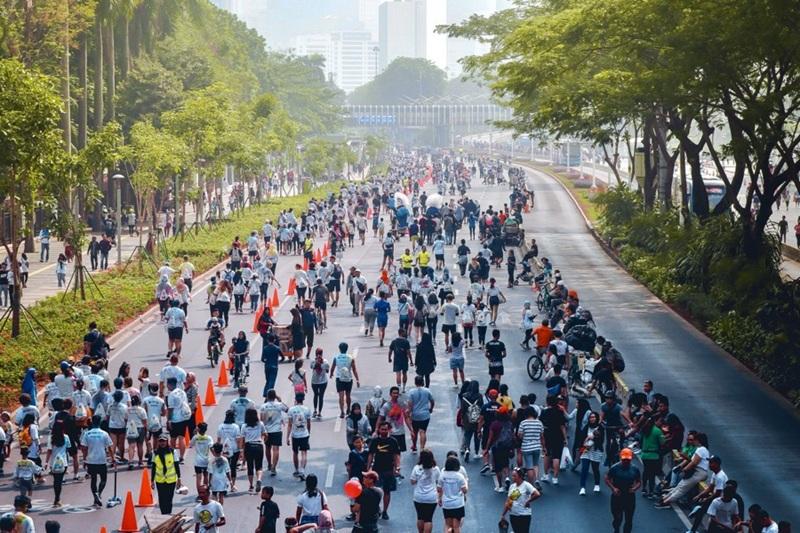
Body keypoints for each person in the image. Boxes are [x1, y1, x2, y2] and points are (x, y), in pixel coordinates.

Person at [368, 422, 401, 520]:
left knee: (387, 491)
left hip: (388, 470)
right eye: (382, 429)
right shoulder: (375, 441)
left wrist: (397, 467)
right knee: (374, 491)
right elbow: (371, 454)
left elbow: (396, 455)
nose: (384, 431)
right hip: (376, 470)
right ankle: (376, 508)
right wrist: (368, 467)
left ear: (389, 430)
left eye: (385, 429)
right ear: (379, 430)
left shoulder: (393, 441)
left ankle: (385, 511)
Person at [80, 414, 114, 507]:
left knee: (93, 479)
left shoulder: (87, 433)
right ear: (100, 423)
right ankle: (99, 494)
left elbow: (84, 448)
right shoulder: (104, 433)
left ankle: (95, 497)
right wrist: (113, 459)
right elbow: (110, 448)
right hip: (101, 460)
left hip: (91, 460)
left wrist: (84, 460)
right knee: (103, 479)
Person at [605, 448, 641, 533]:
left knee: (629, 520)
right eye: (624, 459)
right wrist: (613, 488)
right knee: (617, 518)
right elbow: (607, 478)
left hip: (629, 496)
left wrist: (634, 488)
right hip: (617, 496)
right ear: (621, 458)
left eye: (627, 460)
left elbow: (639, 481)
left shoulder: (635, 469)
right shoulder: (614, 468)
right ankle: (616, 529)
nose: (626, 461)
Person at [501, 467, 541, 533]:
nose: (512, 477)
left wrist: (528, 501)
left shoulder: (526, 485)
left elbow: (537, 494)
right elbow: (509, 502)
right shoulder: (512, 486)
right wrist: (503, 514)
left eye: (514, 476)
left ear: (520, 476)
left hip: (524, 515)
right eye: (512, 476)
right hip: (513, 515)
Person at [410, 449, 440, 533]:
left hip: (418, 497)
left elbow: (412, 481)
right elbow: (439, 482)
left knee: (420, 517)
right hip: (431, 497)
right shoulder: (436, 469)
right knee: (428, 519)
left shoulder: (417, 468)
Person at [437, 455, 468, 533]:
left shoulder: (442, 475)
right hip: (458, 504)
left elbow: (439, 489)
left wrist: (440, 498)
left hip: (447, 503)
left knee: (447, 525)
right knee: (456, 526)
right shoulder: (459, 476)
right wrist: (466, 482)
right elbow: (465, 490)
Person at [260, 390, 288, 476]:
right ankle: (274, 467)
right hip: (277, 430)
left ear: (267, 397)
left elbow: (261, 419)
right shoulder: (279, 405)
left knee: (268, 448)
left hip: (267, 430)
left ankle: (269, 464)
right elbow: (287, 409)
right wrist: (280, 400)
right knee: (276, 449)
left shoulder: (263, 406)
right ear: (275, 396)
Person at [330, 342, 360, 418]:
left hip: (339, 379)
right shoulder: (351, 357)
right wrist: (357, 380)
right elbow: (354, 369)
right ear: (347, 349)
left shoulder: (336, 357)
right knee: (348, 395)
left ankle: (342, 412)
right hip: (348, 378)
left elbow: (333, 367)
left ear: (339, 349)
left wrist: (331, 374)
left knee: (341, 396)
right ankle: (348, 409)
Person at [287, 393, 312, 480]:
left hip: (295, 435)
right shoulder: (307, 409)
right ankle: (302, 470)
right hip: (304, 434)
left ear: (296, 399)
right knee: (304, 453)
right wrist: (308, 433)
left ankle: (296, 469)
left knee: (295, 452)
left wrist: (287, 436)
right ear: (303, 399)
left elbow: (289, 424)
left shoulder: (291, 410)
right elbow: (309, 423)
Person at [241, 408, 267, 493]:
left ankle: (251, 485)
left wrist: (242, 451)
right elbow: (265, 434)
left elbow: (242, 439)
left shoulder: (244, 426)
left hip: (249, 446)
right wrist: (264, 440)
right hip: (259, 445)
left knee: (250, 466)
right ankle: (259, 479)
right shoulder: (260, 424)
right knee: (259, 466)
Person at [407, 376, 434, 452]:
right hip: (425, 415)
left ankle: (414, 445)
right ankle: (422, 448)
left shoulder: (411, 392)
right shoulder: (427, 391)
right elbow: (432, 401)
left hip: (415, 415)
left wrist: (409, 412)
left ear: (415, 383)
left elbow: (410, 403)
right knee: (422, 431)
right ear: (423, 382)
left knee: (414, 431)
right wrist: (431, 409)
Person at [309, 349, 329, 419]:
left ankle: (319, 412)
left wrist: (321, 362)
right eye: (317, 354)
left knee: (321, 396)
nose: (318, 355)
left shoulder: (325, 361)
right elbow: (312, 367)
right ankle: (315, 410)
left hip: (323, 381)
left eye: (319, 354)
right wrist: (317, 362)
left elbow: (327, 370)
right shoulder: (313, 361)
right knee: (315, 395)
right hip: (314, 381)